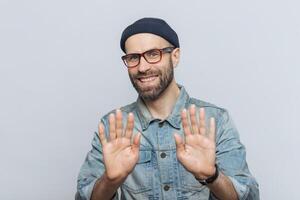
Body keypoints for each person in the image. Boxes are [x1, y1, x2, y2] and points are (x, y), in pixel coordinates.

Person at [76, 17, 259, 200]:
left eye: (153, 54)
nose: (142, 67)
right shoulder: (112, 126)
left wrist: (211, 176)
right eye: (133, 58)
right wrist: (110, 181)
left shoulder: (215, 119)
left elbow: (249, 196)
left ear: (175, 56)